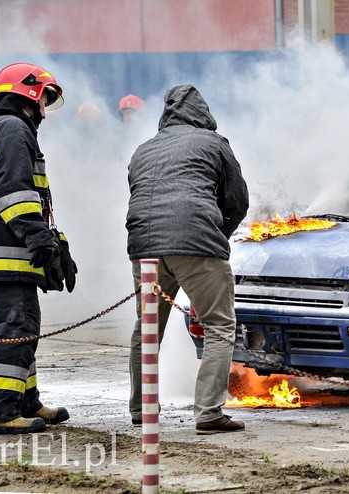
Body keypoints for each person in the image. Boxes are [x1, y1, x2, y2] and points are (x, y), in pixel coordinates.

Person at [126, 84, 249, 434]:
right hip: (197, 243)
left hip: (144, 245)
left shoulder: (143, 150)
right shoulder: (214, 143)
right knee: (219, 326)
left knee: (148, 328)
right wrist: (216, 236)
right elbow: (237, 201)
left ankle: (141, 408)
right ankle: (209, 413)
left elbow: (138, 194)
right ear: (203, 113)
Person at [0, 62, 78, 436]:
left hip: (0, 246)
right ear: (30, 93)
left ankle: (25, 402)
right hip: (8, 248)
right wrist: (36, 237)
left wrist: (52, 239)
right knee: (17, 327)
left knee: (23, 325)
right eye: (46, 96)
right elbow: (14, 192)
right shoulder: (13, 129)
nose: (47, 107)